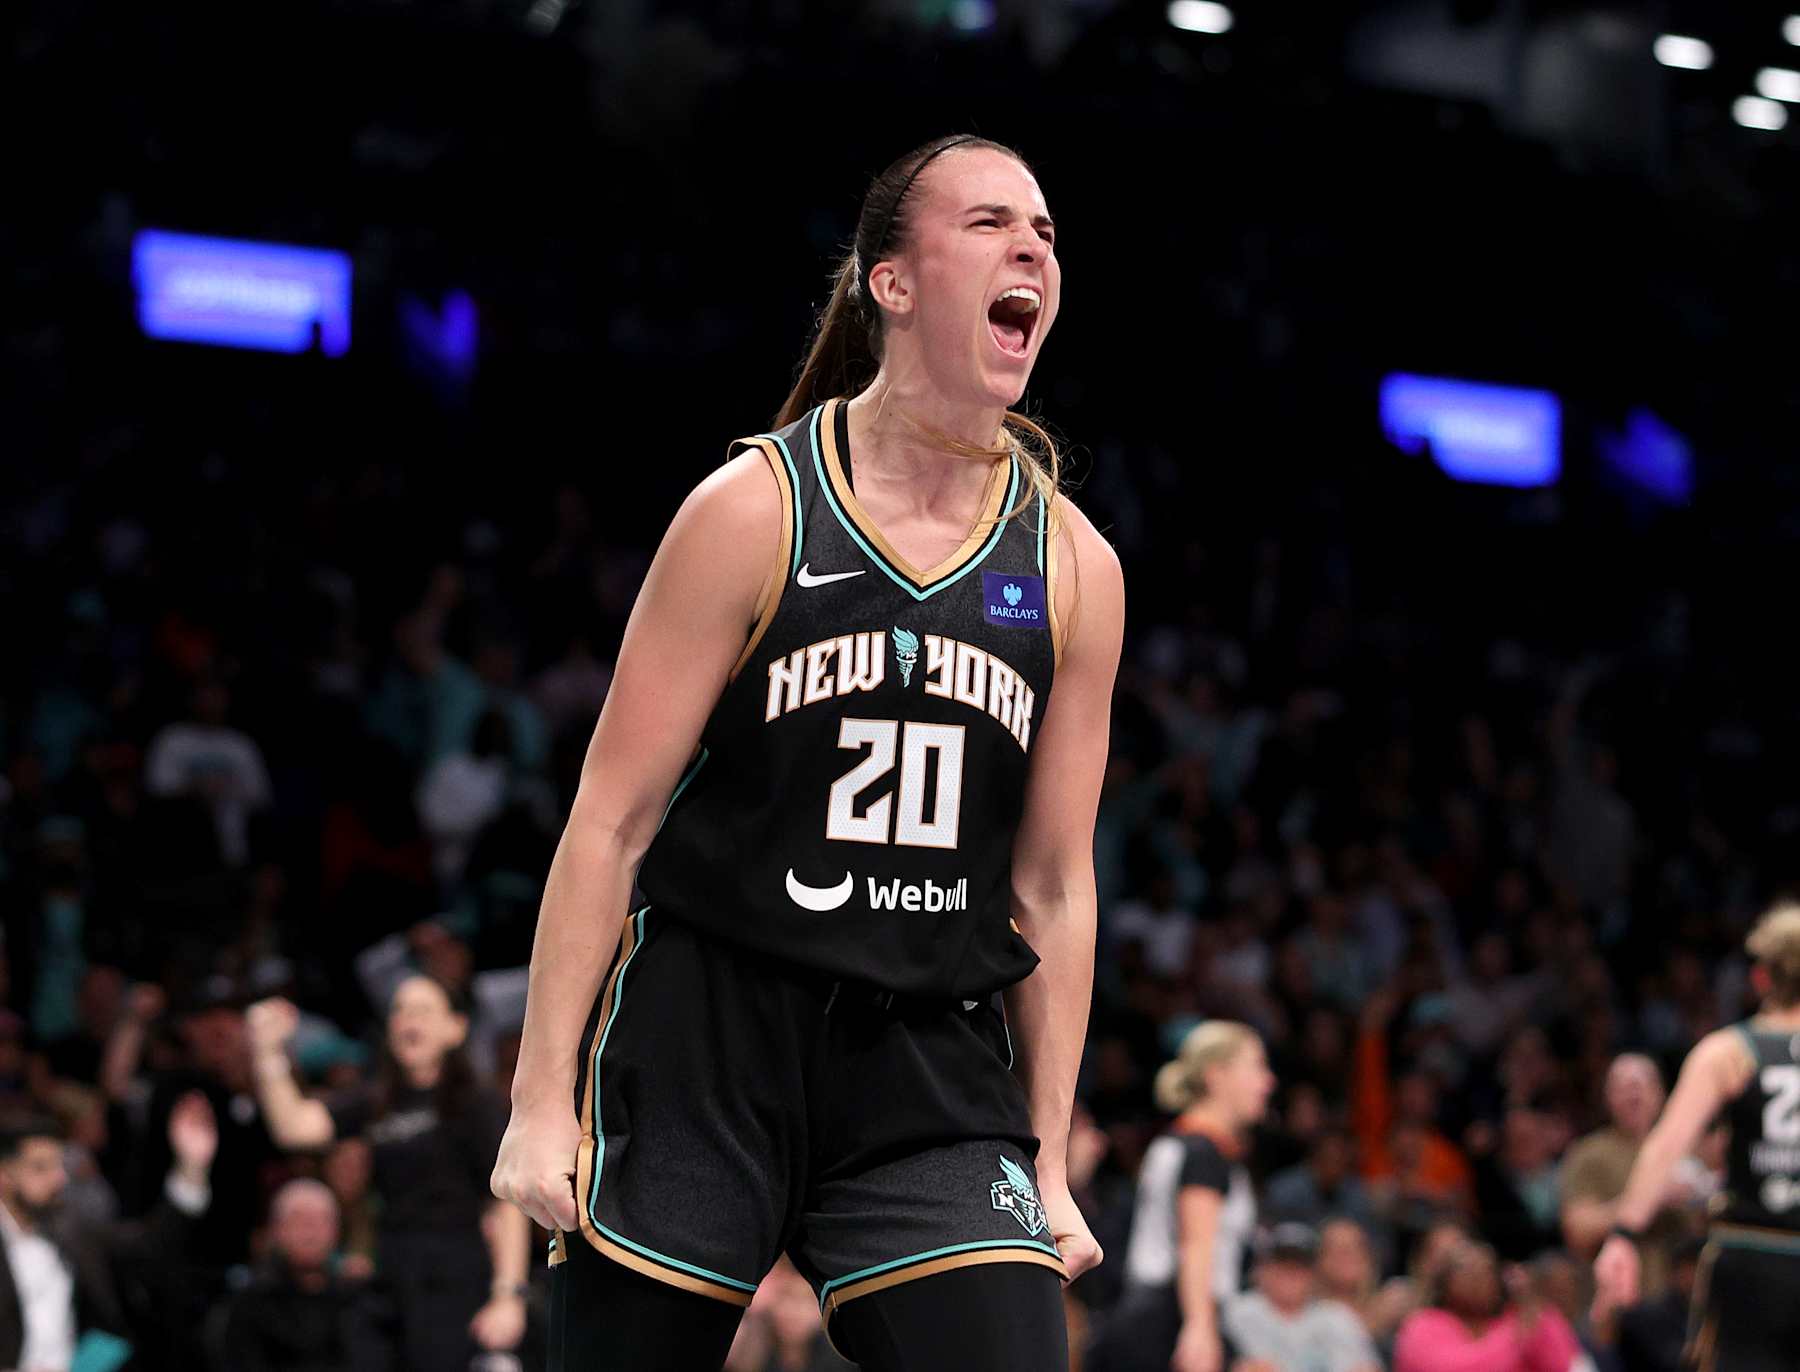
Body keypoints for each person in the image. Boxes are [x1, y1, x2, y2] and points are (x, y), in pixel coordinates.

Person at [488, 133, 1122, 1372]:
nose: (1033, 248)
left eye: (1046, 232)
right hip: (708, 1035)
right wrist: (538, 1099)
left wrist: (1047, 1157)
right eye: (991, 223)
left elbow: (1052, 884)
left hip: (926, 1054)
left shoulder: (1072, 566)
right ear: (894, 281)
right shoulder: (753, 511)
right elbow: (611, 819)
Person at [248, 975, 529, 1372]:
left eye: (423, 1010)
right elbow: (296, 1128)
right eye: (400, 1010)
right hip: (392, 1269)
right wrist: (268, 1053)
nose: (408, 1019)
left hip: (453, 1272)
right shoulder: (377, 1098)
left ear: (455, 1028)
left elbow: (504, 1202)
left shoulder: (472, 1101)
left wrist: (508, 1296)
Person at [1594, 902, 1800, 1371]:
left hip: (1753, 1257)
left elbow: (1668, 1144)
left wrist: (1624, 1234)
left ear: (1760, 977)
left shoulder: (1729, 1053)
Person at [0, 1094, 217, 1371]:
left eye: (59, 1165)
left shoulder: (72, 1231)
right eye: (41, 1167)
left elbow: (148, 1245)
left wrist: (191, 1169)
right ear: (4, 1176)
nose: (59, 1179)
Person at [1103, 1021, 1274, 1372]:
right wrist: (1199, 1328)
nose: (1268, 1082)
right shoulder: (1202, 1152)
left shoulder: (1182, 1143)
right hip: (1168, 1323)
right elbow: (1195, 1245)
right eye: (1256, 1066)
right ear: (1216, 1076)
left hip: (1153, 1318)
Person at [220, 1178, 393, 1371]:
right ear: (277, 1229)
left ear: (336, 1230)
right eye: (299, 1220)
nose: (310, 1232)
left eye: (321, 1220)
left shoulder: (361, 1302)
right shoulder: (250, 1305)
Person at [1560, 1055, 1680, 1293]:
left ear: (1661, 1093)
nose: (1633, 1095)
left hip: (1681, 1297)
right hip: (1618, 1296)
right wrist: (1647, 1201)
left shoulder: (1685, 1149)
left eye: (1641, 1085)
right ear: (1608, 1098)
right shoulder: (1589, 1153)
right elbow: (1578, 1230)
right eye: (1622, 1088)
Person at [1394, 1238, 1580, 1372]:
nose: (1479, 1277)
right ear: (1444, 1282)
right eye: (1467, 1269)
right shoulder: (1422, 1325)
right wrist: (1520, 1336)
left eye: (1488, 1269)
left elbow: (1568, 1365)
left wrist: (1537, 1312)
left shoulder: (1523, 1317)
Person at [1221, 1221, 1381, 1372]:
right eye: (1282, 1263)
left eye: (1300, 1266)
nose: (1290, 1272)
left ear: (1314, 1274)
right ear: (1263, 1268)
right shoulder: (1236, 1313)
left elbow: (1367, 1367)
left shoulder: (1338, 1318)